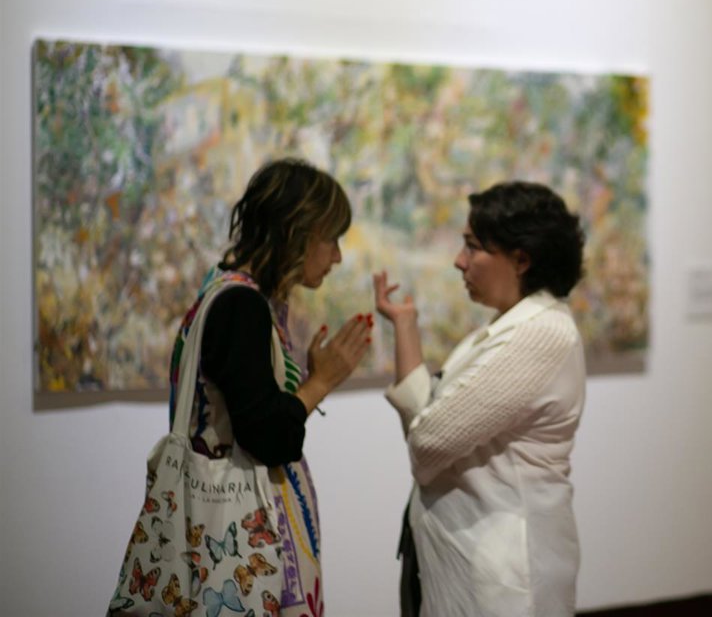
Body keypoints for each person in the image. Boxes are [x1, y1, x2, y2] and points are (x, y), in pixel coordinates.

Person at [169, 157, 371, 615]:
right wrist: (321, 382)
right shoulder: (241, 305)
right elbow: (268, 436)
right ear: (298, 233)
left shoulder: (229, 291)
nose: (337, 256)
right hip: (237, 549)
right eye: (331, 239)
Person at [375, 181, 587, 617]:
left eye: (473, 247)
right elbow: (427, 427)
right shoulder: (503, 329)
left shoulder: (542, 332)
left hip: (504, 578)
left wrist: (427, 430)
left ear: (521, 259)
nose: (459, 260)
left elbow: (428, 442)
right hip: (470, 566)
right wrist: (406, 327)